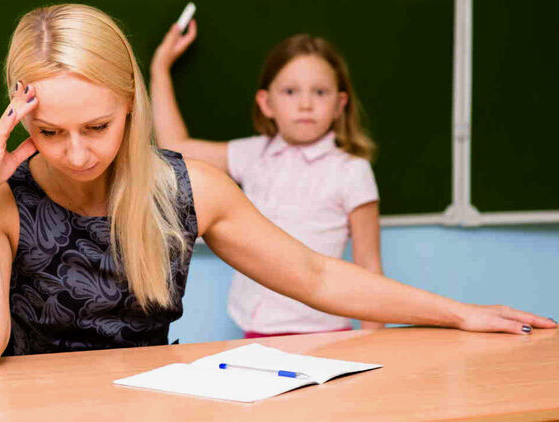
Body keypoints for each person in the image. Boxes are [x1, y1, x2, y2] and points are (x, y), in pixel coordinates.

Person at [0, 3, 555, 370]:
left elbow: (315, 276)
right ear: (18, 118)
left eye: (97, 127)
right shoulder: (4, 197)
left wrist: (460, 313)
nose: (77, 154)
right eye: (49, 132)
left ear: (130, 104)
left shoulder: (188, 189)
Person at [150, 23, 385, 337]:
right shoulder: (252, 154)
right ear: (266, 103)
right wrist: (160, 68)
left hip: (326, 333)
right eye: (290, 91)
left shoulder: (351, 170)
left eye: (320, 92)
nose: (305, 104)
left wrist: (375, 342)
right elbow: (176, 148)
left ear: (339, 105)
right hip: (255, 331)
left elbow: (369, 266)